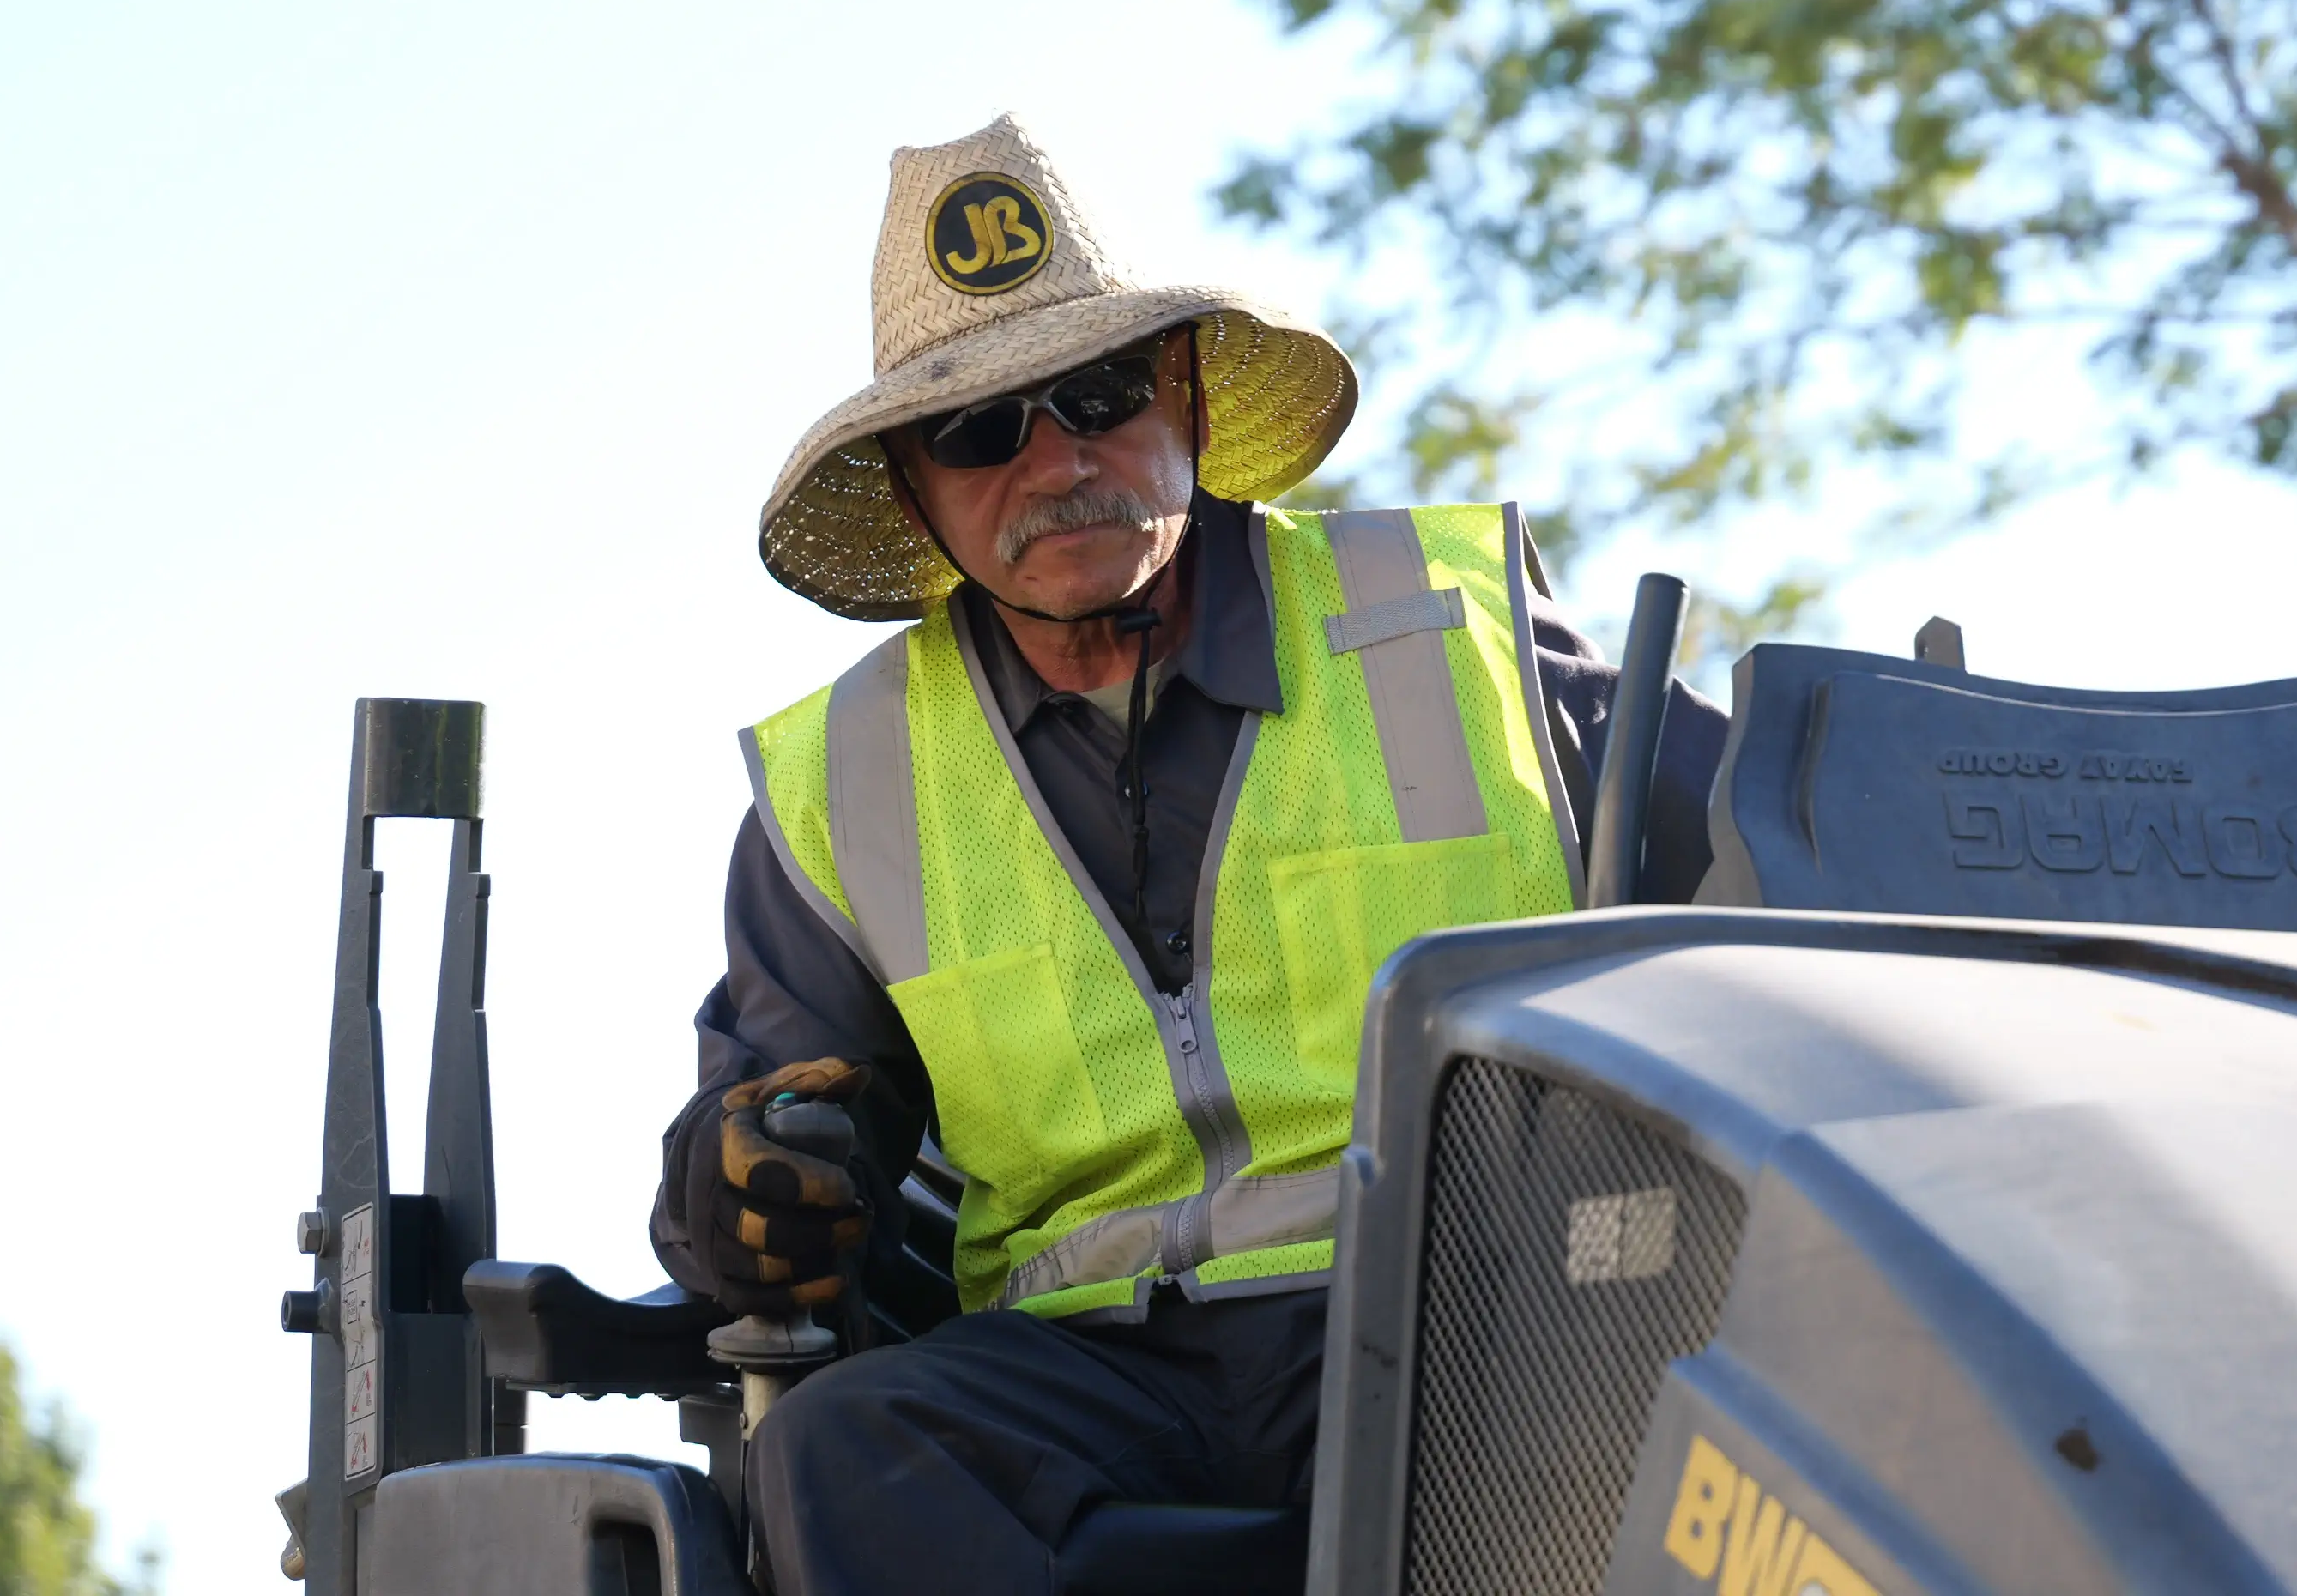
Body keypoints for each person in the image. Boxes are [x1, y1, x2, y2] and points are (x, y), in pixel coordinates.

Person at [651, 113, 1724, 1595]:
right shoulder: (840, 784)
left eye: (1095, 394)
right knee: (842, 1449)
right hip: (1090, 1390)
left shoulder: (1450, 628)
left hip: (1472, 1320)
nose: (1054, 463)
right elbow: (758, 1143)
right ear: (914, 490)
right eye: (978, 431)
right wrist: (738, 1178)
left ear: (1189, 402)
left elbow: (1781, 885)